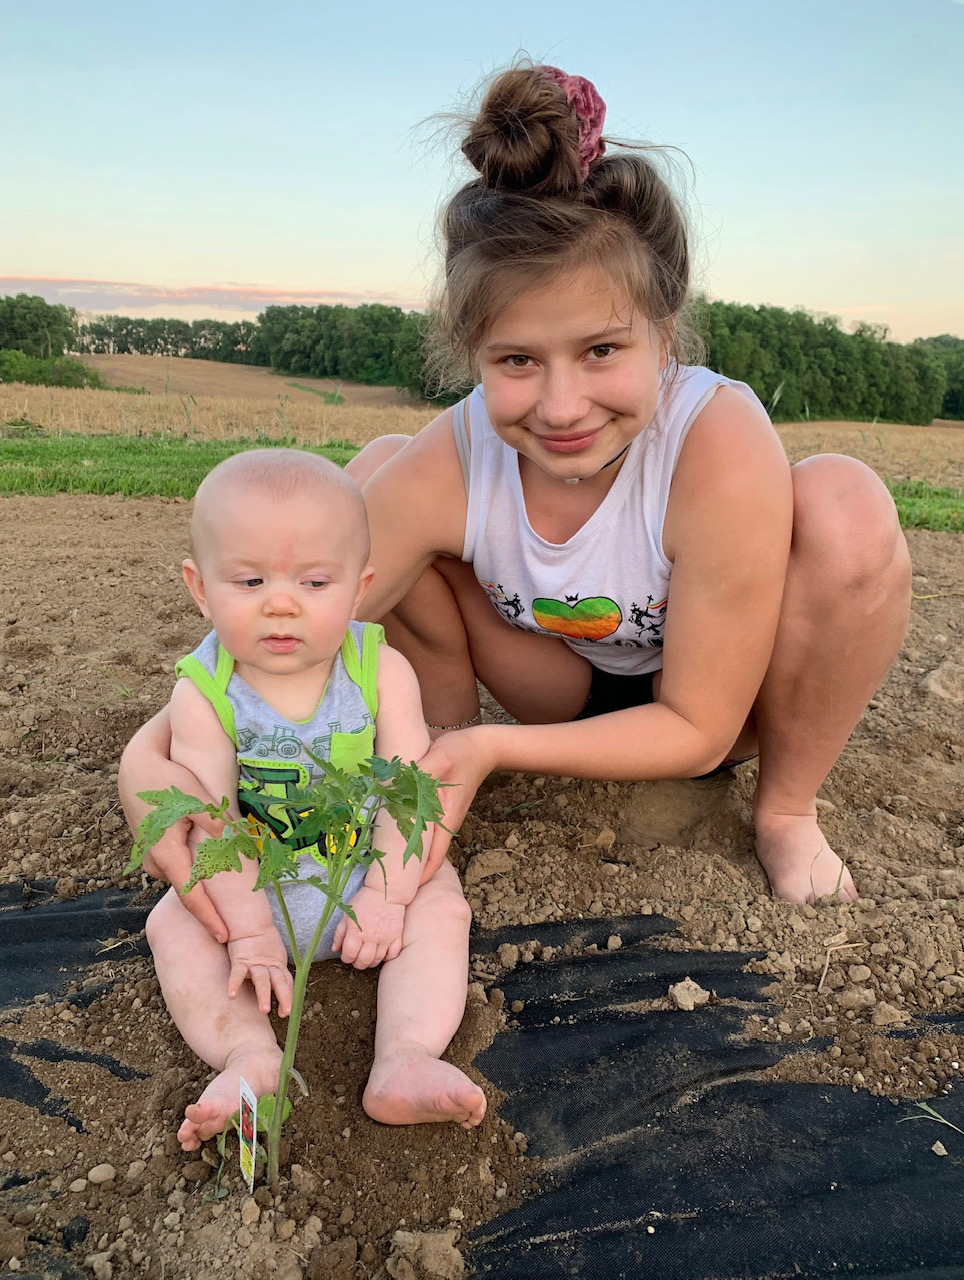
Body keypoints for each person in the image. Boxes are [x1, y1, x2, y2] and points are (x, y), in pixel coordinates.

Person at [121, 62, 910, 927]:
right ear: (473, 356)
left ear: (665, 331)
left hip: (720, 712)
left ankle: (788, 810)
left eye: (603, 350)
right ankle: (425, 768)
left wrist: (494, 745)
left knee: (844, 504)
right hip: (561, 688)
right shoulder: (454, 451)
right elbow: (274, 619)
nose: (563, 406)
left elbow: (698, 730)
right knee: (365, 496)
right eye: (518, 361)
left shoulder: (715, 441)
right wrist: (149, 756)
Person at [131, 449, 484, 1151]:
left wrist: (387, 894)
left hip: (360, 877)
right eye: (251, 580)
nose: (282, 601)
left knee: (440, 900)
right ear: (201, 590)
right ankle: (248, 1056)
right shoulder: (204, 690)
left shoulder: (381, 670)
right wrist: (252, 927)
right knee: (174, 922)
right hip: (256, 894)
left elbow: (408, 800)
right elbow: (212, 819)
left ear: (359, 588)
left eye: (315, 581)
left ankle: (405, 1056)